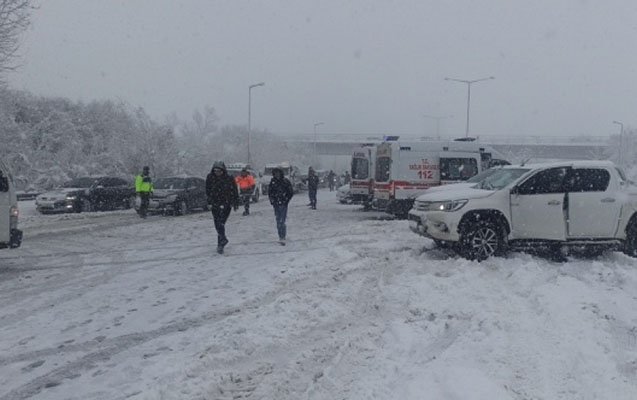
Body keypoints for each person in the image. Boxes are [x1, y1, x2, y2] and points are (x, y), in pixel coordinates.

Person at [206, 161, 239, 254]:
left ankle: (220, 244)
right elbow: (207, 190)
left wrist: (235, 202)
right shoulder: (210, 178)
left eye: (219, 171)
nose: (217, 173)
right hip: (215, 203)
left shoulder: (229, 178)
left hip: (226, 204)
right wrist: (209, 202)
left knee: (221, 223)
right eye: (215, 170)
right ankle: (222, 240)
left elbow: (234, 190)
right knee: (218, 223)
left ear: (223, 170)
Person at [268, 167, 294, 245]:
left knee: (282, 221)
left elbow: (290, 192)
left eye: (278, 173)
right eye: (275, 173)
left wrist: (286, 200)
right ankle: (280, 236)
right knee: (278, 220)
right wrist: (272, 201)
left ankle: (283, 236)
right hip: (276, 204)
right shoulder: (273, 182)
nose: (277, 175)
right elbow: (270, 192)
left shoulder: (285, 181)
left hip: (283, 204)